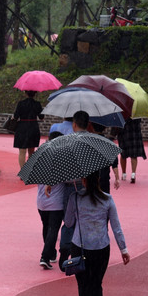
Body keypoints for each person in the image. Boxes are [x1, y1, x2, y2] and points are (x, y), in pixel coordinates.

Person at [64, 170, 130, 296]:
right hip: (101, 248)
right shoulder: (107, 199)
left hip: (80, 247)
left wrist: (74, 204)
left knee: (83, 286)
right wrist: (124, 249)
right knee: (96, 284)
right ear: (99, 179)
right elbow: (116, 227)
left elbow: (69, 223)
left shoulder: (75, 197)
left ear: (83, 180)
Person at [58, 111, 89, 271]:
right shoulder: (92, 143)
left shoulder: (68, 143)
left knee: (68, 221)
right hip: (87, 187)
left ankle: (65, 248)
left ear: (74, 124)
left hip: (70, 187)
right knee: (83, 221)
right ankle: (81, 252)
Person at [37, 131, 64, 269]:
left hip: (41, 201)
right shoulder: (61, 159)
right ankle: (45, 256)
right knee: (53, 229)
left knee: (46, 227)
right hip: (56, 202)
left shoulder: (41, 157)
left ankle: (51, 253)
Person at [13, 90, 44, 169]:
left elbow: (15, 117)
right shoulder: (37, 104)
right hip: (33, 127)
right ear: (35, 93)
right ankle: (29, 171)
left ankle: (22, 172)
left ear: (25, 93)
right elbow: (41, 117)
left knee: (22, 151)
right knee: (31, 150)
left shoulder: (20, 103)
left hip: (22, 127)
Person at [91, 122, 120, 193]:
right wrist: (117, 178)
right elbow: (114, 163)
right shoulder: (108, 143)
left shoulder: (89, 142)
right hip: (104, 178)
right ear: (104, 128)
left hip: (91, 179)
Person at [117, 118, 147, 184]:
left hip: (124, 132)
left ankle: (124, 174)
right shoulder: (137, 112)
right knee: (134, 154)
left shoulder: (123, 110)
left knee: (123, 154)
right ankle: (133, 174)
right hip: (135, 133)